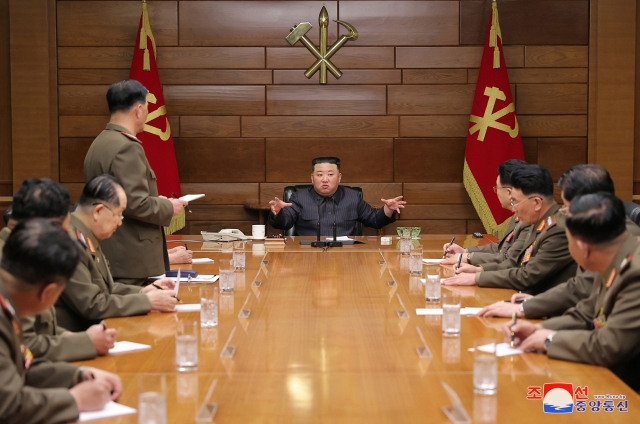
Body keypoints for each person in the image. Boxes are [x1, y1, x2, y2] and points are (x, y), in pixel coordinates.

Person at [506, 193, 640, 391]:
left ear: (583, 248)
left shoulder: (634, 273)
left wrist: (550, 339)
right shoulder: (616, 255)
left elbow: (609, 346)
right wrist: (539, 329)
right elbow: (586, 312)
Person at [0, 219, 122, 423]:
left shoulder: (9, 301)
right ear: (48, 293)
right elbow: (8, 405)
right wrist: (75, 399)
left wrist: (79, 374)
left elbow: (23, 366)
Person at [478, 164, 640, 319]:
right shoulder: (599, 232)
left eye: (569, 209)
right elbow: (580, 288)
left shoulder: (620, 239)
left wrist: (531, 313)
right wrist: (531, 307)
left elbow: (583, 295)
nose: (566, 214)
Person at [84, 79, 187, 285]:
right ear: (138, 110)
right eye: (148, 108)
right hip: (131, 260)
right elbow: (135, 203)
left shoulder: (100, 142)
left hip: (111, 252)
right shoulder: (126, 147)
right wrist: (169, 206)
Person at [1, 178, 114, 362]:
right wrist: (85, 343)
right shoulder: (12, 263)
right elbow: (26, 344)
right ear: (47, 226)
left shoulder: (26, 253)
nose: (66, 237)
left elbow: (41, 327)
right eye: (63, 230)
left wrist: (70, 338)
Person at [55, 175, 177, 332]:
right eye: (119, 214)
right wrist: (147, 301)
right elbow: (91, 305)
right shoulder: (69, 242)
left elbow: (107, 289)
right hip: (76, 337)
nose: (120, 222)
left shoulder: (86, 235)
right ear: (98, 211)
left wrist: (144, 291)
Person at [443, 164, 576, 294]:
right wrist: (478, 270)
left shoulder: (557, 230)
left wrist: (477, 277)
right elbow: (516, 263)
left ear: (536, 203)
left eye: (516, 202)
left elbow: (527, 275)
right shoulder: (540, 222)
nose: (513, 209)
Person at [268, 157, 406, 236]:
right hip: (308, 255)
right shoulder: (299, 197)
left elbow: (374, 220)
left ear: (339, 177)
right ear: (312, 178)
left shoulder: (352, 197)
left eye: (330, 174)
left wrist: (388, 209)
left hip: (346, 255)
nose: (325, 179)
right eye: (320, 174)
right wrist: (277, 213)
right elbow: (284, 223)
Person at [443, 159, 529, 266]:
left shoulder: (528, 219)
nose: (496, 192)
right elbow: (500, 246)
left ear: (508, 191)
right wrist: (465, 251)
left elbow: (509, 259)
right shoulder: (518, 214)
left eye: (496, 188)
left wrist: (469, 259)